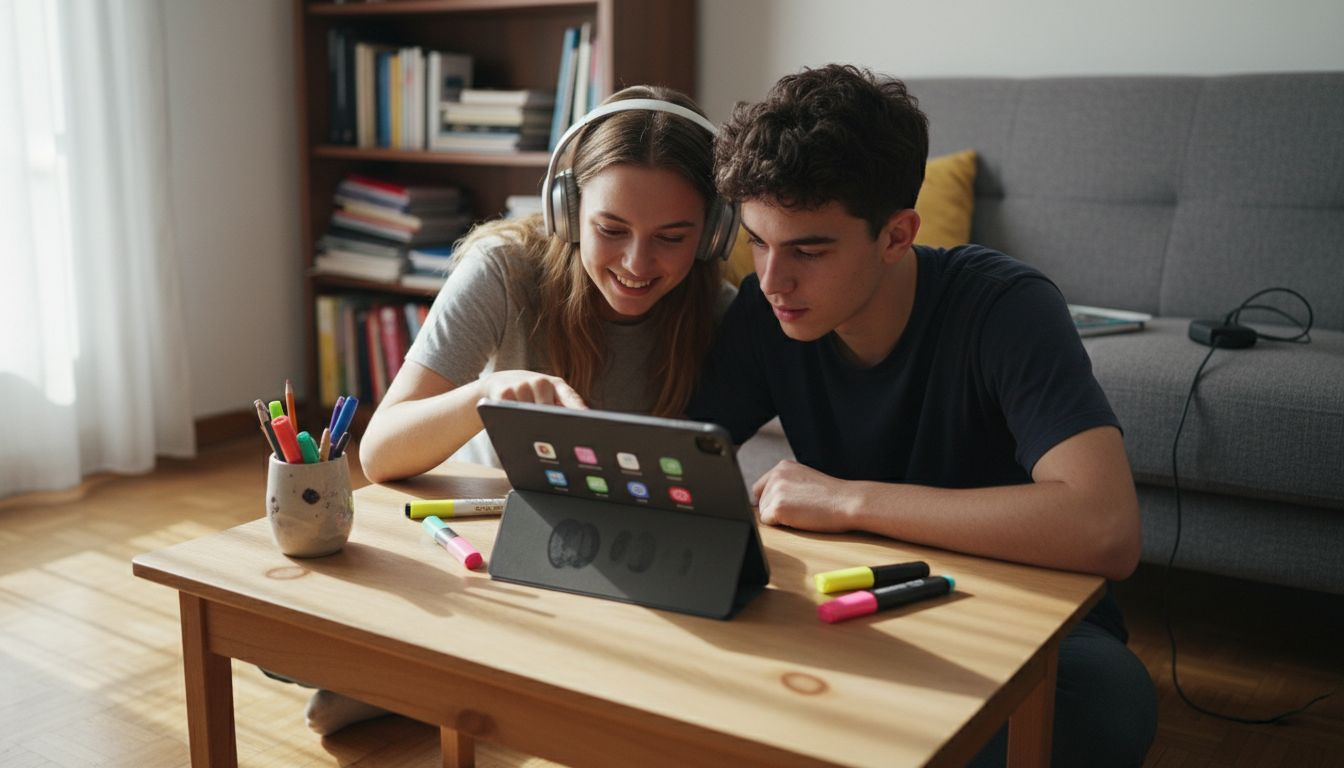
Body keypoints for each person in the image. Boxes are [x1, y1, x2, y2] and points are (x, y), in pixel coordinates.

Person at [688, 64, 1157, 767]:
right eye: (757, 241)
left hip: (1013, 613)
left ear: (898, 234)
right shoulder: (766, 312)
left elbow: (1106, 529)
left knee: (1106, 703)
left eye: (809, 250)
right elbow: (679, 454)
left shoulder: (1007, 307)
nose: (772, 279)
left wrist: (851, 502)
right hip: (842, 607)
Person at [289, 85, 737, 735]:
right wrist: (485, 396)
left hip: (612, 541)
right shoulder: (506, 269)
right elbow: (380, 453)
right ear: (566, 209)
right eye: (611, 230)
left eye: (673, 237)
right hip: (489, 529)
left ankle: (427, 680)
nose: (639, 264)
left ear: (713, 232)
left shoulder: (716, 309)